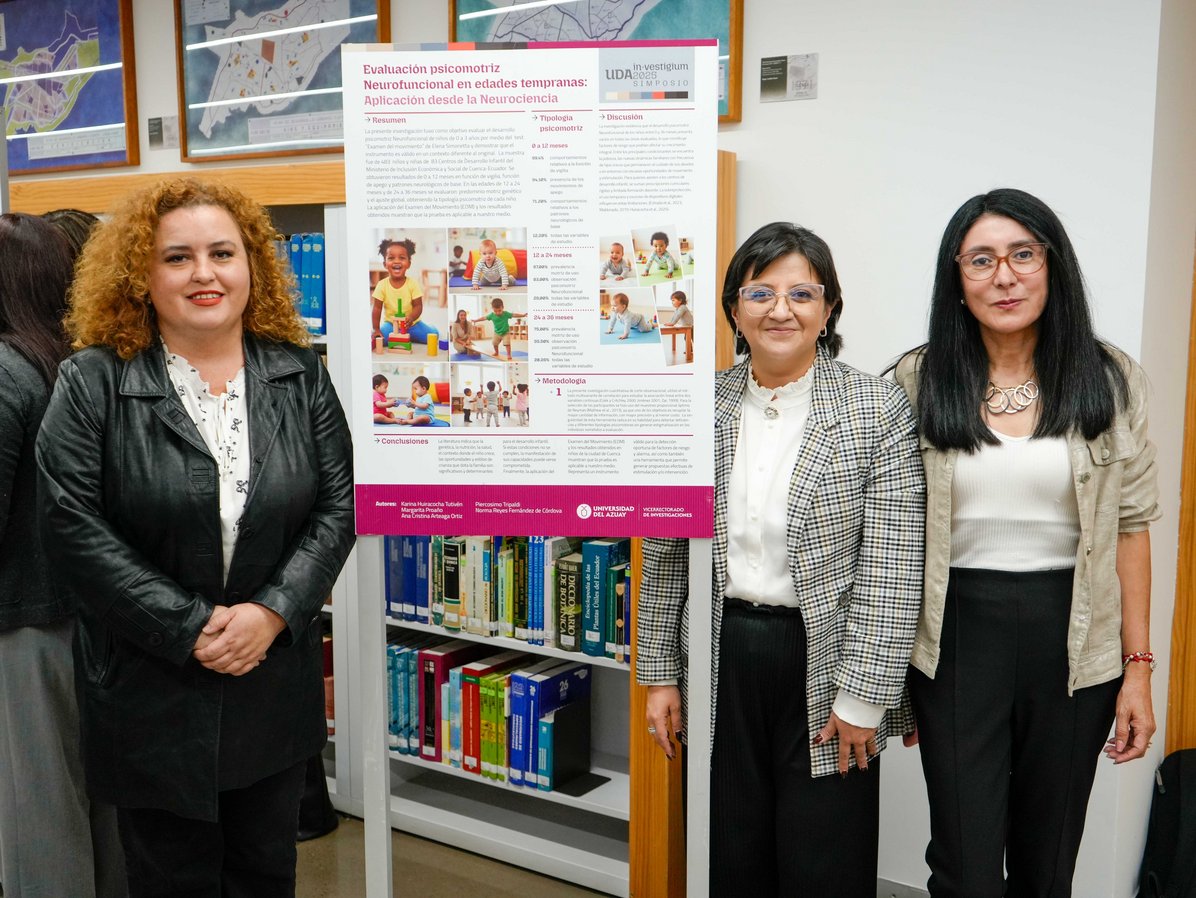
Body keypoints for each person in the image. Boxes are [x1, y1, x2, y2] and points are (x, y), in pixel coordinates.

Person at [36, 177, 356, 898]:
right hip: (151, 685)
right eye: (177, 257)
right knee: (168, 876)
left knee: (265, 872)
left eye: (222, 253)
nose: (204, 273)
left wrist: (271, 612)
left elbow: (336, 509)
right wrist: (191, 626)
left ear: (252, 266)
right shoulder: (91, 382)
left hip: (271, 681)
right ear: (140, 276)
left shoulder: (299, 373)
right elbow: (71, 525)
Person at [638, 221, 925, 895]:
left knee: (824, 860)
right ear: (734, 309)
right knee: (729, 854)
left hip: (827, 658)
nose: (781, 310)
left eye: (802, 293)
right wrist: (660, 675)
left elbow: (892, 567)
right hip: (721, 651)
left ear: (829, 310)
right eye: (760, 292)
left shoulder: (876, 407)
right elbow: (667, 554)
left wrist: (864, 698)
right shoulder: (697, 406)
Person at [892, 188, 1159, 898]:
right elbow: (887, 532)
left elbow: (1132, 526)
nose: (1004, 276)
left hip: (1074, 641)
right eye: (981, 260)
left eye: (1022, 254)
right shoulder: (917, 380)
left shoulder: (1110, 378)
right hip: (955, 637)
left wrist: (1137, 669)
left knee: (1047, 865)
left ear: (1053, 265)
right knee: (965, 865)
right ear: (957, 278)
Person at [0, 213, 127, 898]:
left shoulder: (8, 373)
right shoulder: (82, 368)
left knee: (37, 814)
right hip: (94, 615)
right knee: (97, 801)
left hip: (24, 624)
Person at [371, 237, 438, 348]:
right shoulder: (382, 285)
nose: (397, 261)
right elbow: (377, 309)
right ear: (385, 264)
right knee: (380, 340)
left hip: (413, 324)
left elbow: (418, 306)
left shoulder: (413, 283)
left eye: (402, 258)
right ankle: (404, 336)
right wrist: (376, 329)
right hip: (392, 325)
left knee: (433, 336)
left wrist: (411, 318)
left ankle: (429, 328)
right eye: (391, 258)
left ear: (409, 263)